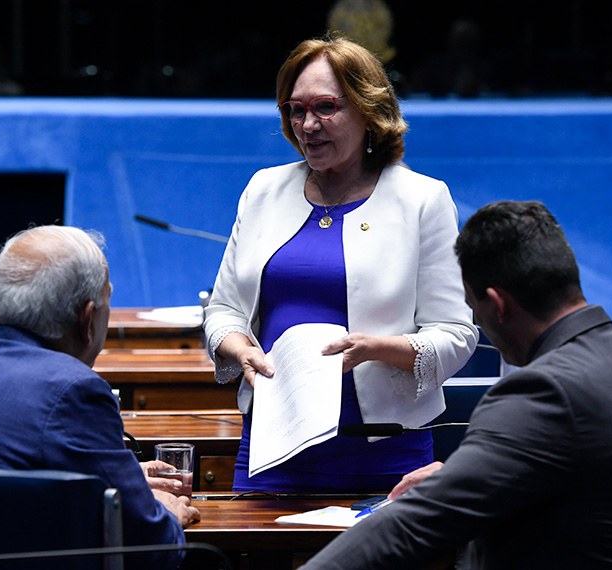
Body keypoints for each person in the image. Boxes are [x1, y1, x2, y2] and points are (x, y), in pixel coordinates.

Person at [299, 200, 612, 569]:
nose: (477, 321)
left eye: (474, 307)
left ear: (499, 304)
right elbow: (590, 483)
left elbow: (414, 527)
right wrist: (466, 473)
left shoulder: (540, 392)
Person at [203, 34, 479, 493]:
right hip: (272, 445)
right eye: (295, 109)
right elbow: (223, 310)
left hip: (384, 450)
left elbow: (456, 333)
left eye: (326, 107)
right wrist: (238, 348)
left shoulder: (422, 200)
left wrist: (376, 349)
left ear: (369, 111)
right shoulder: (262, 190)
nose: (308, 124)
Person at [0, 225, 199, 569]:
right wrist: (166, 513)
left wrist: (123, 477)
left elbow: (1, 491)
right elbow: (151, 548)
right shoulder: (74, 390)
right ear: (88, 319)